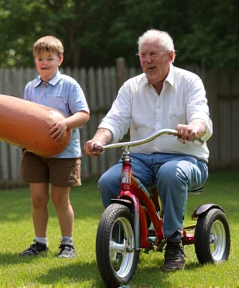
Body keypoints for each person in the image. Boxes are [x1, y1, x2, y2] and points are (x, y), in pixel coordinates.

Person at [84, 29, 212, 271]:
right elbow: (115, 120)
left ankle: (174, 242)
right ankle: (127, 236)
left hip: (186, 158)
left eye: (153, 53)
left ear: (171, 56)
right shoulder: (131, 87)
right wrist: (98, 139)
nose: (147, 60)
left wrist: (193, 129)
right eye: (143, 55)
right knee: (109, 181)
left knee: (170, 173)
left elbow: (200, 116)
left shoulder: (189, 82)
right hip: (142, 159)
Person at [20, 36, 90, 258]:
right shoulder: (30, 88)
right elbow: (25, 118)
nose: (44, 63)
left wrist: (65, 123)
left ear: (60, 59)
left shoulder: (69, 85)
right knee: (38, 198)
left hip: (64, 152)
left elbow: (83, 115)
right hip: (34, 151)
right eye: (40, 58)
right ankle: (40, 243)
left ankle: (67, 244)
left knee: (60, 199)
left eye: (49, 58)